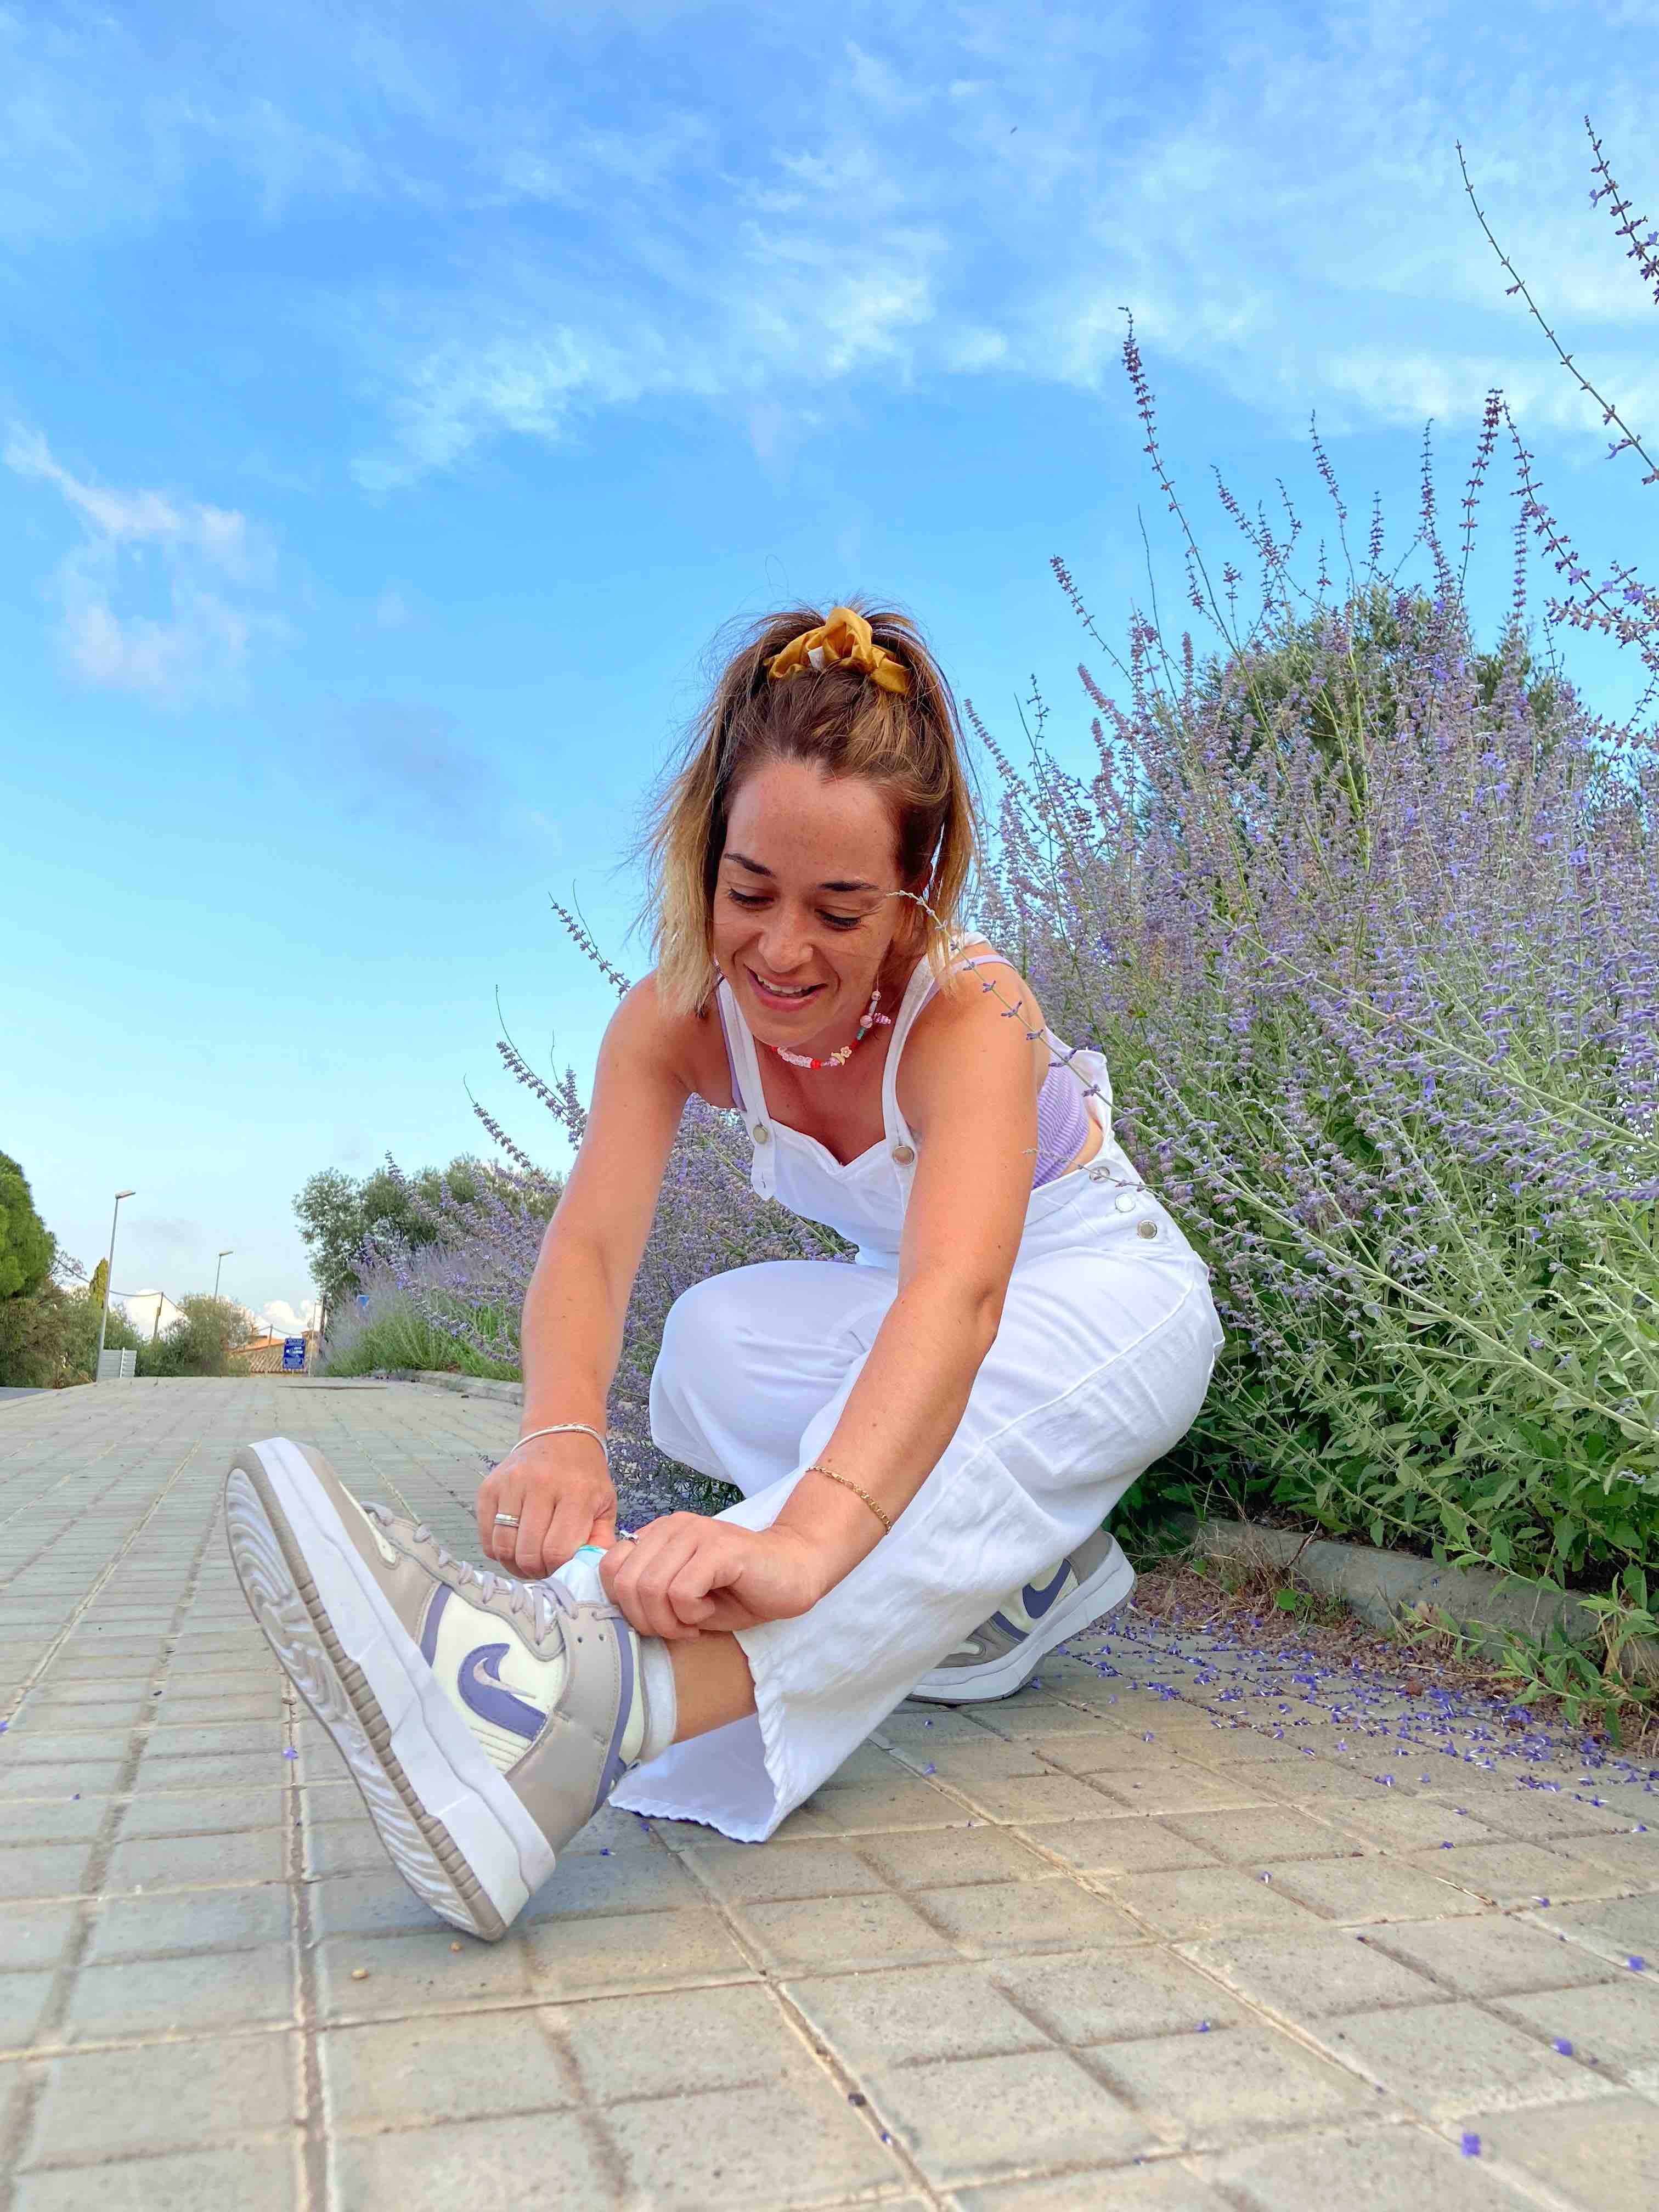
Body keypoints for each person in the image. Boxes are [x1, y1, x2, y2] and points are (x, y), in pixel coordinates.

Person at [224, 602, 1224, 1942]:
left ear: (918, 894)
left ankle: (566, 1701)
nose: (783, 951)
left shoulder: (970, 1016)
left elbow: (960, 1306)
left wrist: (810, 1536)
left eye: (841, 909)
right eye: (749, 892)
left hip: (1112, 1295)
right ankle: (1017, 1578)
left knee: (909, 1440)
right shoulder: (669, 1021)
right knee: (706, 1347)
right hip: (925, 1303)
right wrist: (561, 1432)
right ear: (704, 854)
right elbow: (589, 1243)